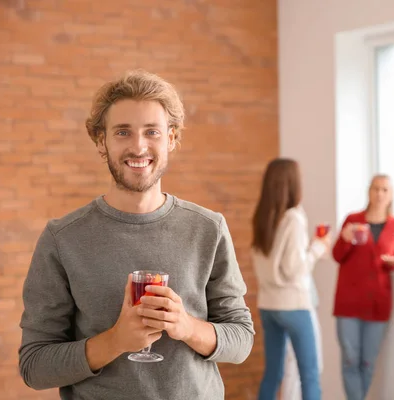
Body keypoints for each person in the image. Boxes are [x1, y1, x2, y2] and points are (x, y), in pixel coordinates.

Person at [18, 70, 255, 400]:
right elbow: (34, 366)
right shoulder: (63, 239)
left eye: (152, 132)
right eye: (123, 132)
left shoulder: (208, 228)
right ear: (102, 140)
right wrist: (116, 341)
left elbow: (241, 341)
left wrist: (187, 328)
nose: (138, 146)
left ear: (171, 138)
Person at [251, 158, 330, 400]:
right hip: (294, 305)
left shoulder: (263, 216)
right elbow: (294, 269)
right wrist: (318, 247)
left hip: (268, 304)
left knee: (273, 374)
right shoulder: (294, 218)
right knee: (310, 374)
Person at [331, 174, 394, 400]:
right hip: (348, 303)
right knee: (350, 359)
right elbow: (337, 255)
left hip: (377, 303)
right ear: (369, 191)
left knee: (368, 362)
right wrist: (344, 238)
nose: (379, 193)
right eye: (375, 188)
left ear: (391, 194)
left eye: (384, 189)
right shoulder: (353, 220)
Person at [280, 274, 323, 400]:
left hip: (299, 305)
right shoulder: (294, 255)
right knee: (301, 370)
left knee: (297, 368)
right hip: (299, 307)